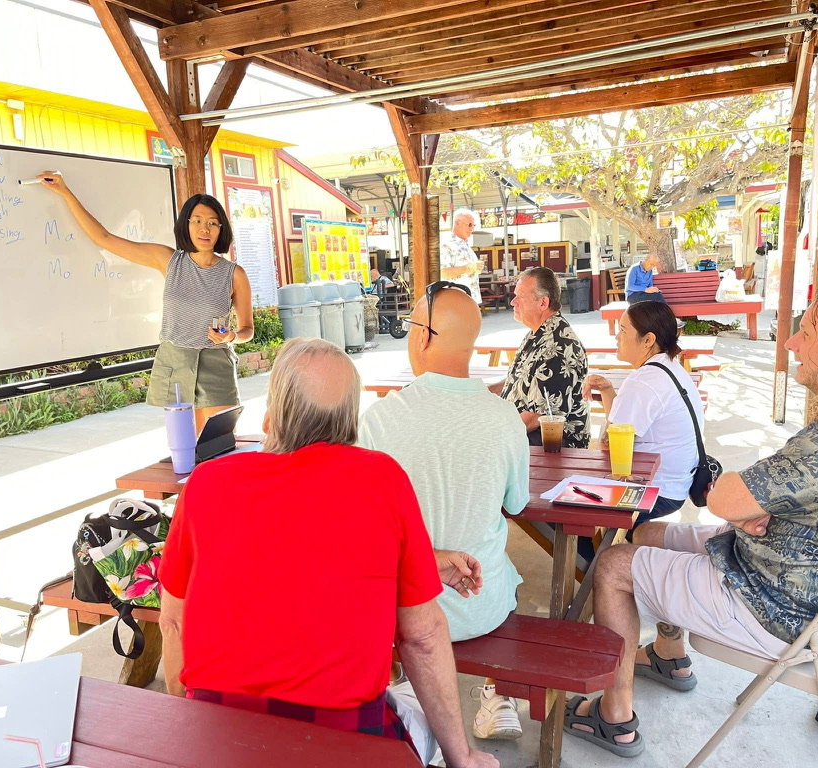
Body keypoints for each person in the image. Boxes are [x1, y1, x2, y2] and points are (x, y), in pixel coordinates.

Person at [564, 284, 818, 758]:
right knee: (647, 533)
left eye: (807, 331)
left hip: (778, 607)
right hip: (810, 583)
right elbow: (773, 498)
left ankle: (615, 717)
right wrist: (757, 507)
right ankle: (669, 656)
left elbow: (724, 497)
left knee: (612, 565)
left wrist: (747, 506)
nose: (791, 342)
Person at [158, 337, 498, 768]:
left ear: (271, 416)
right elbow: (423, 636)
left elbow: (174, 620)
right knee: (411, 701)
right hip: (343, 735)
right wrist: (463, 756)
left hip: (221, 730)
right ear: (350, 420)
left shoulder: (207, 484)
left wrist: (188, 733)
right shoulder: (381, 480)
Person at [359, 281, 530, 741]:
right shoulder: (504, 416)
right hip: (481, 608)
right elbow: (516, 505)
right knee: (512, 572)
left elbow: (363, 524)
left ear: (422, 336)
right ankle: (499, 694)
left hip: (401, 615)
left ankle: (408, 693)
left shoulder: (379, 418)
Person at [38, 172, 252, 432]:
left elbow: (247, 331)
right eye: (196, 220)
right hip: (175, 362)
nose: (204, 229)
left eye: (212, 223)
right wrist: (64, 191)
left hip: (216, 364)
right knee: (185, 449)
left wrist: (231, 337)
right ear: (185, 225)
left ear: (221, 229)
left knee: (217, 443)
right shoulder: (168, 260)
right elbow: (103, 239)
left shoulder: (234, 274)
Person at [582, 302, 704, 530]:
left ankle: (598, 560)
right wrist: (609, 391)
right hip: (678, 482)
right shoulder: (670, 366)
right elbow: (623, 431)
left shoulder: (643, 381)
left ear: (648, 340)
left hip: (655, 488)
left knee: (572, 510)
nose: (616, 337)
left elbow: (608, 444)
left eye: (623, 330)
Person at [490, 267, 590, 448]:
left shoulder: (557, 348)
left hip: (550, 445)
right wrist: (484, 392)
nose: (513, 302)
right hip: (526, 433)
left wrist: (492, 433)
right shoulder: (540, 332)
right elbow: (522, 379)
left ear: (543, 303)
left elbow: (536, 417)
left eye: (520, 297)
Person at [440, 209, 483, 304]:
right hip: (456, 301)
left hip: (469, 301)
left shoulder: (465, 244)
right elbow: (443, 273)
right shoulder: (447, 245)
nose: (472, 228)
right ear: (457, 223)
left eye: (473, 225)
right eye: (470, 224)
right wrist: (468, 268)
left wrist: (476, 268)